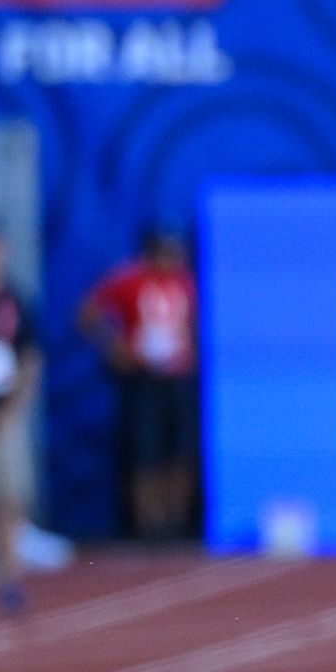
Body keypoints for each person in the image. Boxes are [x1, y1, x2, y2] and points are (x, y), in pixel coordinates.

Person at [81, 225, 198, 542]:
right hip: (142, 378)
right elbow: (87, 314)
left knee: (180, 452)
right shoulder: (128, 278)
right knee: (145, 454)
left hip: (177, 377)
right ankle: (149, 526)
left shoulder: (185, 281)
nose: (172, 258)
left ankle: (176, 523)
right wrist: (114, 347)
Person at [0, 231, 37, 612]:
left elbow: (30, 359)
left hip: (4, 413)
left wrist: (12, 411)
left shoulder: (15, 301)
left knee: (8, 496)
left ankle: (10, 574)